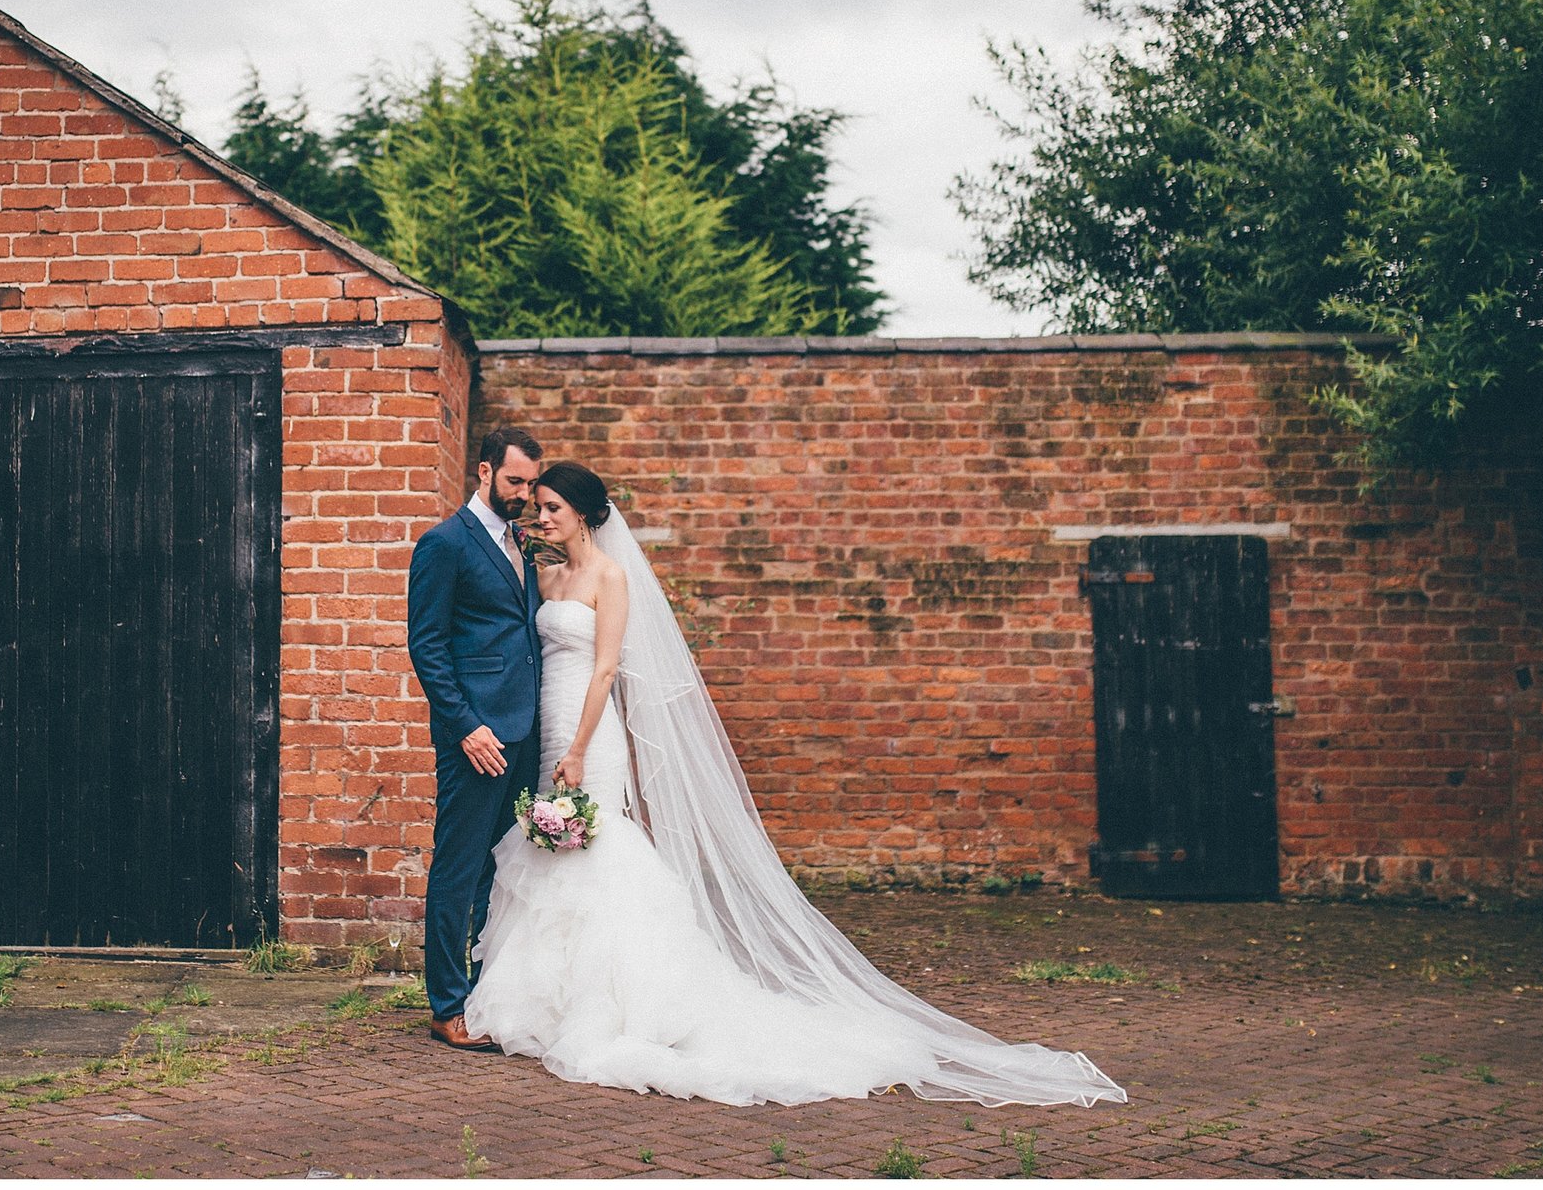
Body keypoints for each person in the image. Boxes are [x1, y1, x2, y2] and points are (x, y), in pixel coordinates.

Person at [460, 459, 1128, 1109]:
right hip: (549, 722)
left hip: (589, 735)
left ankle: (619, 1003)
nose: (541, 517)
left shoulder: (610, 576)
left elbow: (607, 670)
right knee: (554, 852)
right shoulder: (547, 575)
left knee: (600, 847)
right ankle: (551, 998)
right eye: (538, 507)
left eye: (553, 508)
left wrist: (579, 749)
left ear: (585, 514)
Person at [403, 425, 544, 1051]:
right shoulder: (445, 544)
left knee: (503, 870)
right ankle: (446, 1006)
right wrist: (465, 727)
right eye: (515, 481)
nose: (525, 494)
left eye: (531, 484)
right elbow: (427, 646)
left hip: (525, 731)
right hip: (477, 738)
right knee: (459, 869)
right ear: (484, 471)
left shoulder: (521, 543)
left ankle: (487, 996)